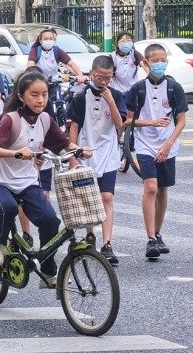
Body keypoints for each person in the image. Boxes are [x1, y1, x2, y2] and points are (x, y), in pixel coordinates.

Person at [0, 69, 84, 288]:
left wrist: (79, 150)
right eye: (34, 95)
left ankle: (47, 271)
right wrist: (15, 153)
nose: (41, 99)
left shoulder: (45, 119)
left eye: (44, 94)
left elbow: (61, 143)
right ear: (21, 96)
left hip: (26, 181)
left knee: (50, 220)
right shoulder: (10, 120)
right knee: (7, 208)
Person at [125, 43, 188, 260]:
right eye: (155, 61)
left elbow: (181, 120)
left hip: (167, 146)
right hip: (144, 145)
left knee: (162, 189)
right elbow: (128, 121)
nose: (159, 64)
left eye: (163, 60)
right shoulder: (137, 89)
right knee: (150, 187)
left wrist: (169, 144)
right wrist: (150, 122)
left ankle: (158, 233)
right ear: (145, 63)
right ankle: (150, 239)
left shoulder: (174, 87)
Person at [67, 55, 125, 265]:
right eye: (100, 77)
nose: (104, 81)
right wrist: (73, 156)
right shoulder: (80, 97)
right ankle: (90, 234)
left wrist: (110, 100)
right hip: (86, 152)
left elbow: (120, 125)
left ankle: (107, 243)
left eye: (108, 78)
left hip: (108, 152)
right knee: (88, 197)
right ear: (91, 74)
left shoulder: (117, 95)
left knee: (107, 196)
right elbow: (74, 127)